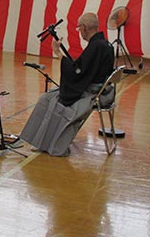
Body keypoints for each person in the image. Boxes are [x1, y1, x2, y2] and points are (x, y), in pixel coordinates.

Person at [19, 13, 115, 156]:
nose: (79, 31)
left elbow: (77, 72)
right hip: (101, 89)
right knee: (47, 97)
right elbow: (82, 69)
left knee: (52, 102)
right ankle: (39, 140)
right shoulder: (103, 44)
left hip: (93, 92)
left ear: (83, 28)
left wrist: (57, 52)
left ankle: (49, 144)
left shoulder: (96, 46)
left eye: (79, 28)